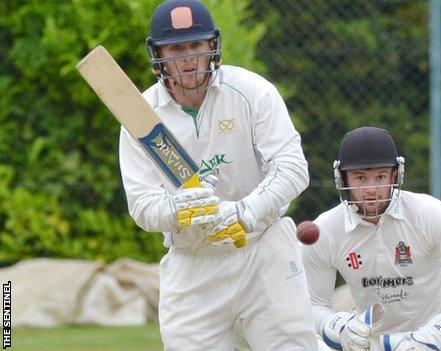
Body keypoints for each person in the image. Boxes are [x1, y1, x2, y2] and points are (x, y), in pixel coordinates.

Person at [118, 0, 317, 349]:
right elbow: (143, 206)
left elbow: (293, 167)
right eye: (176, 48)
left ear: (212, 46)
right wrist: (179, 209)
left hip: (263, 250)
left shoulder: (252, 91)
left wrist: (246, 210)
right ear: (158, 54)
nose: (188, 57)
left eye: (196, 45)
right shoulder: (141, 117)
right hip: (194, 262)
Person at [302, 126, 441, 351]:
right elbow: (313, 305)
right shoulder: (325, 230)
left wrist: (438, 333)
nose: (371, 189)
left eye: (380, 176)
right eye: (360, 178)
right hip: (371, 345)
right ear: (342, 177)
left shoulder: (427, 213)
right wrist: (338, 328)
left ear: (395, 174)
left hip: (433, 345)